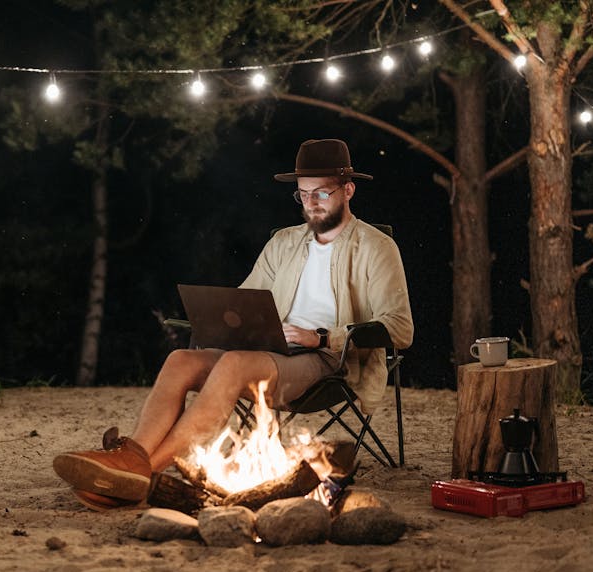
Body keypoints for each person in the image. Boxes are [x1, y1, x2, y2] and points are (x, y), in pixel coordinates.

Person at [53, 138, 414, 511]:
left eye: (321, 192)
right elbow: (246, 301)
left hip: (328, 360)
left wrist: (321, 336)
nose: (311, 203)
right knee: (181, 359)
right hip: (271, 349)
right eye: (303, 194)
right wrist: (223, 320)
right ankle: (132, 458)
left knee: (234, 364)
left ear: (348, 190)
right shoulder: (284, 244)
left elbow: (401, 328)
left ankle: (143, 478)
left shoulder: (375, 247)